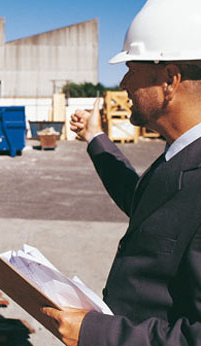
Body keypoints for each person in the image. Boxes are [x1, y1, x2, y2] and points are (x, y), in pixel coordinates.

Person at [41, 0, 201, 345]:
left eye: (131, 68)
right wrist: (96, 138)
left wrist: (97, 332)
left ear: (169, 79)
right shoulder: (180, 156)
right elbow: (145, 204)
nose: (124, 82)